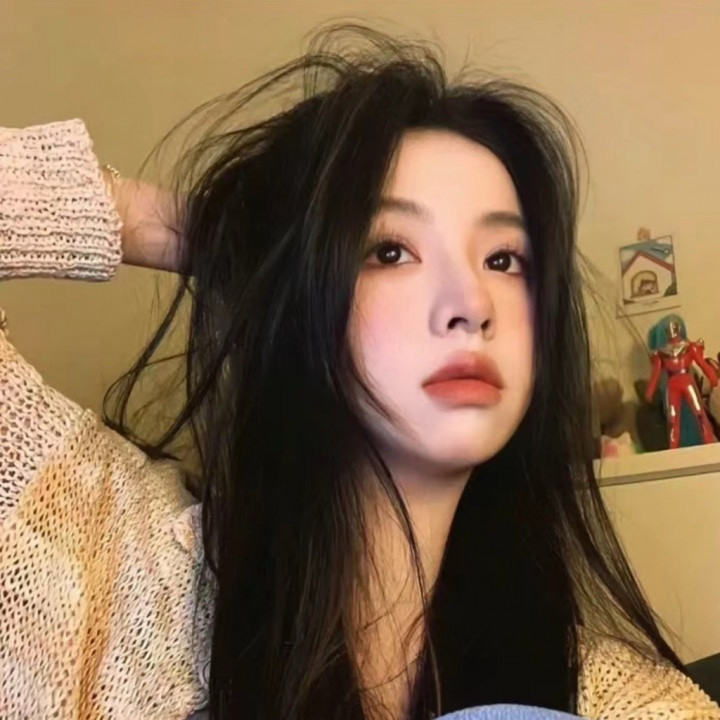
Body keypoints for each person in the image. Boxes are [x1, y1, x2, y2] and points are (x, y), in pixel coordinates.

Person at [0, 26, 717, 720]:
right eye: (389, 251)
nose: (471, 305)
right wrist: (223, 242)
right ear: (306, 288)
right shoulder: (98, 552)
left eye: (504, 260)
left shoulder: (629, 703)